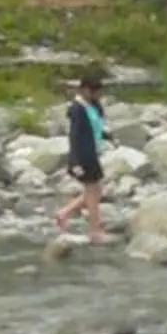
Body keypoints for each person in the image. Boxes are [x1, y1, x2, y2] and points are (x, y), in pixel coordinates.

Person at [54, 74, 108, 240]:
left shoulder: (92, 106)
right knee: (92, 193)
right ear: (85, 90)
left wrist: (107, 136)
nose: (99, 96)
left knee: (95, 191)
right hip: (83, 156)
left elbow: (95, 128)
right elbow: (75, 136)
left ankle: (64, 213)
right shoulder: (77, 109)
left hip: (92, 153)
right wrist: (75, 161)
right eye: (96, 92)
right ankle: (94, 230)